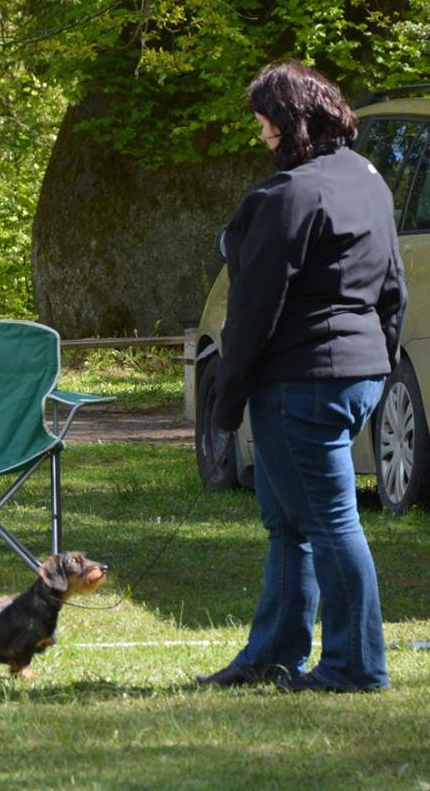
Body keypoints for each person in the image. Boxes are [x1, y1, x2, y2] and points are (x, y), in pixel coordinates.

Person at [196, 60, 408, 692]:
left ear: (291, 122)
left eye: (265, 121)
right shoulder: (369, 181)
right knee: (290, 522)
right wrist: (379, 362)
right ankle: (272, 655)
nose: (261, 134)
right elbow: (393, 288)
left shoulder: (285, 196)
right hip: (356, 372)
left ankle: (355, 665)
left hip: (302, 380)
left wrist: (226, 398)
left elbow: (254, 309)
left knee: (329, 522)